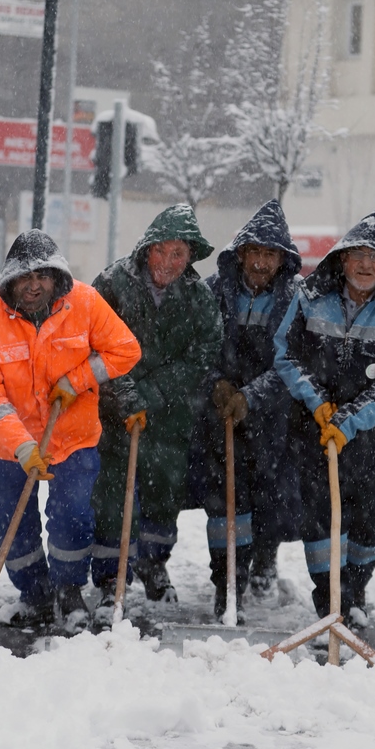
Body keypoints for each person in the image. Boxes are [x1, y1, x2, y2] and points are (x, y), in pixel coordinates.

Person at [0, 229, 141, 628]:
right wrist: (22, 446)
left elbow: (125, 349)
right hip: (10, 446)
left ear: (57, 275)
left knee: (73, 517)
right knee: (13, 523)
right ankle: (34, 594)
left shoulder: (84, 302)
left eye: (43, 275)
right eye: (24, 278)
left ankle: (68, 589)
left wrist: (77, 380)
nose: (34, 285)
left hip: (73, 437)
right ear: (10, 280)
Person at [273, 210, 375, 626]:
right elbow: (285, 353)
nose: (364, 264)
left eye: (374, 258)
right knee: (319, 518)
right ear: (341, 259)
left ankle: (354, 590)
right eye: (356, 254)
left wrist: (348, 420)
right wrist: (319, 403)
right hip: (314, 432)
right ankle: (328, 602)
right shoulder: (310, 297)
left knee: (370, 518)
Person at [91, 204, 223, 603]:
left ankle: (153, 565)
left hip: (169, 418)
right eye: (160, 251)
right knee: (112, 496)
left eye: (178, 254)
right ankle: (111, 579)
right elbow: (91, 340)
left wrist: (152, 393)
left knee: (163, 494)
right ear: (147, 249)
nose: (167, 262)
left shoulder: (199, 298)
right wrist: (126, 393)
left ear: (190, 256)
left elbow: (205, 351)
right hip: (114, 416)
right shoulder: (112, 283)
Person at [192, 200, 302, 621]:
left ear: (282, 259)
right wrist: (217, 385)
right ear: (240, 253)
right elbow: (199, 347)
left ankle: (263, 564)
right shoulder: (214, 290)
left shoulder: (295, 299)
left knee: (271, 499)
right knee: (223, 505)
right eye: (254, 252)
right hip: (217, 416)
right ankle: (225, 583)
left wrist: (251, 397)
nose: (260, 262)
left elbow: (294, 362)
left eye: (270, 254)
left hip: (274, 419)